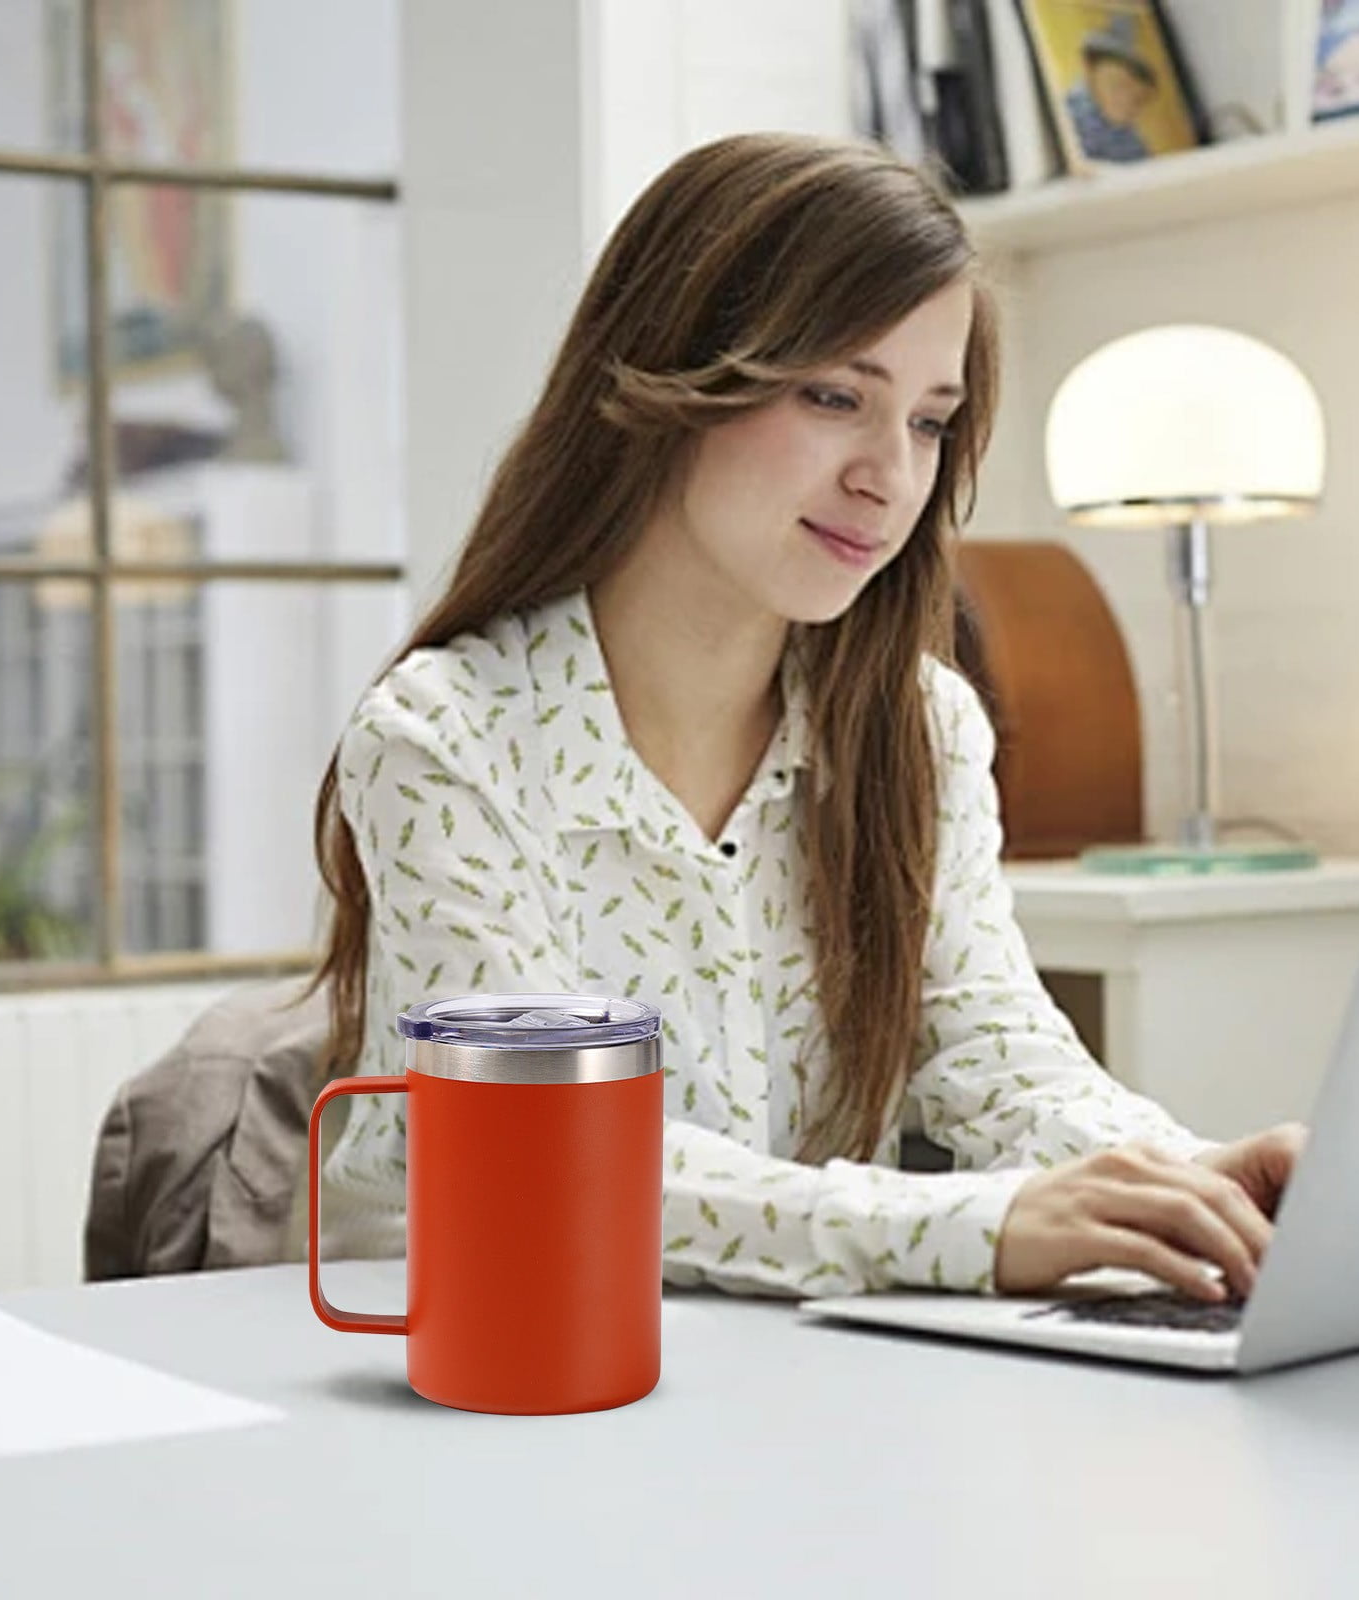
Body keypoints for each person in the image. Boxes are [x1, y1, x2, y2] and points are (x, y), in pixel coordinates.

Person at [308, 132, 1305, 1304]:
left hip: (780, 1371)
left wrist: (1188, 1184)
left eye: (930, 421)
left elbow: (992, 1048)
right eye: (836, 396)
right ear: (670, 377)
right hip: (479, 1365)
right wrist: (973, 1227)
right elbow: (546, 1154)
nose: (888, 474)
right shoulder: (445, 737)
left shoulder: (918, 727)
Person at [1065, 16, 1157, 163]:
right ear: (1089, 71)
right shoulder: (1069, 116)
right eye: (1118, 85)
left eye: (1138, 100)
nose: (1126, 100)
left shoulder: (1130, 139)